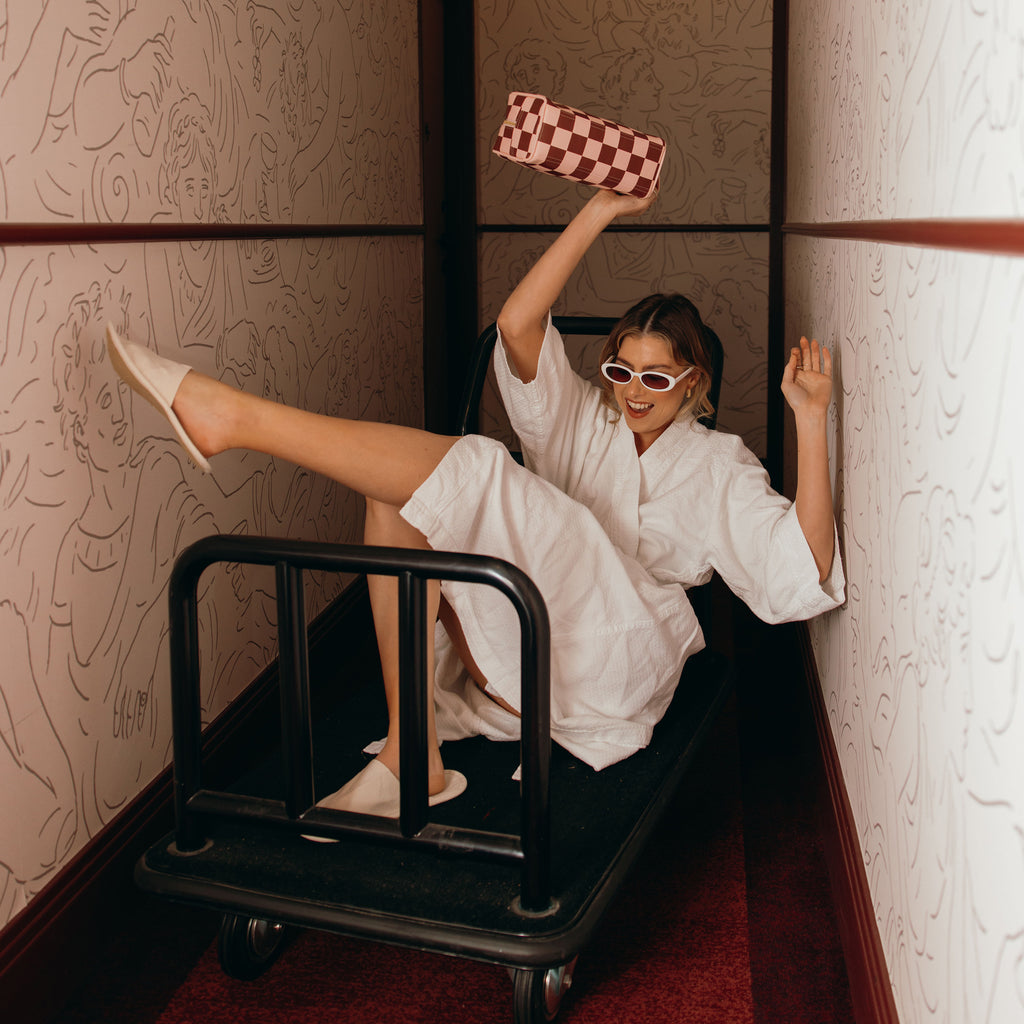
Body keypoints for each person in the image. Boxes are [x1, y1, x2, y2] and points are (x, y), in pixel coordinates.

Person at [104, 186, 844, 821]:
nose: (633, 393)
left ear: (694, 384)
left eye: (657, 378)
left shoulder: (718, 464)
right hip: (523, 628)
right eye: (622, 371)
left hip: (615, 658)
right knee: (397, 500)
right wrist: (599, 211)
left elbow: (801, 572)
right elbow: (517, 325)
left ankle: (234, 418)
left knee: (488, 471)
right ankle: (411, 754)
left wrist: (810, 421)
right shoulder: (585, 416)